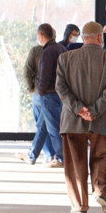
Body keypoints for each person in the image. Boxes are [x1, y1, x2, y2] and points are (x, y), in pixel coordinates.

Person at [56, 21, 106, 213]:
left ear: (83, 38)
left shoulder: (65, 58)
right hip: (103, 119)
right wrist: (93, 111)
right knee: (104, 156)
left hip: (72, 119)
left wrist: (79, 109)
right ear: (101, 37)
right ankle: (102, 192)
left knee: (75, 162)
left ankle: (79, 205)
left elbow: (60, 88)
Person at [15, 41, 55, 165]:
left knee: (42, 125)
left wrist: (31, 88)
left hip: (40, 93)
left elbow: (27, 70)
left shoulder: (37, 51)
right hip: (51, 93)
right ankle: (48, 155)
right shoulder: (57, 50)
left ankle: (36, 155)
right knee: (44, 125)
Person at [35, 23, 66, 168]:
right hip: (59, 93)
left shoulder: (47, 52)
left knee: (53, 128)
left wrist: (40, 90)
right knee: (42, 125)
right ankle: (32, 154)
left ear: (41, 35)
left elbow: (45, 74)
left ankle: (60, 158)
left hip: (48, 94)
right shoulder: (61, 48)